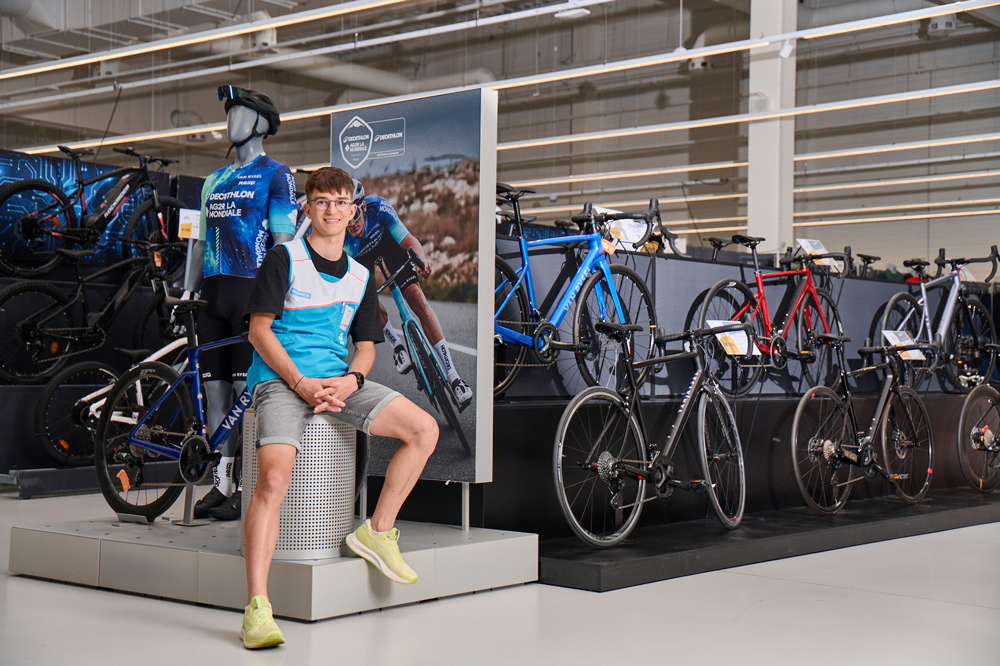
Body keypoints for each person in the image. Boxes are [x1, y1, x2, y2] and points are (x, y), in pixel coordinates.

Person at [239, 166, 438, 649]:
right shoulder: (284, 258)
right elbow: (259, 331)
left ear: (353, 212)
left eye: (340, 202)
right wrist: (301, 383)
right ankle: (257, 607)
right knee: (272, 482)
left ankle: (377, 531)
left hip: (337, 383)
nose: (331, 210)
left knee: (424, 430)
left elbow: (365, 348)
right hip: (282, 381)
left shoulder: (360, 275)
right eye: (322, 201)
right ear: (308, 208)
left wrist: (350, 381)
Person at [186, 86, 297, 521]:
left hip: (252, 295)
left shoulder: (277, 175)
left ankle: (247, 486)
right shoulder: (212, 181)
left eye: (240, 112)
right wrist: (188, 291)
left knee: (244, 396)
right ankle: (220, 484)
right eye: (229, 113)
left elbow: (283, 241)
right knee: (215, 395)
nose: (231, 120)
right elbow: (199, 242)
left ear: (262, 124)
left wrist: (280, 296)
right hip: (212, 297)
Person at [344, 180, 473, 409]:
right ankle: (397, 345)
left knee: (417, 299)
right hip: (359, 257)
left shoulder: (379, 208)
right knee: (367, 299)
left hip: (387, 244)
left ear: (363, 207)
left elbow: (409, 241)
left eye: (355, 215)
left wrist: (421, 261)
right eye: (346, 217)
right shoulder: (342, 236)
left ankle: (454, 378)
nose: (351, 223)